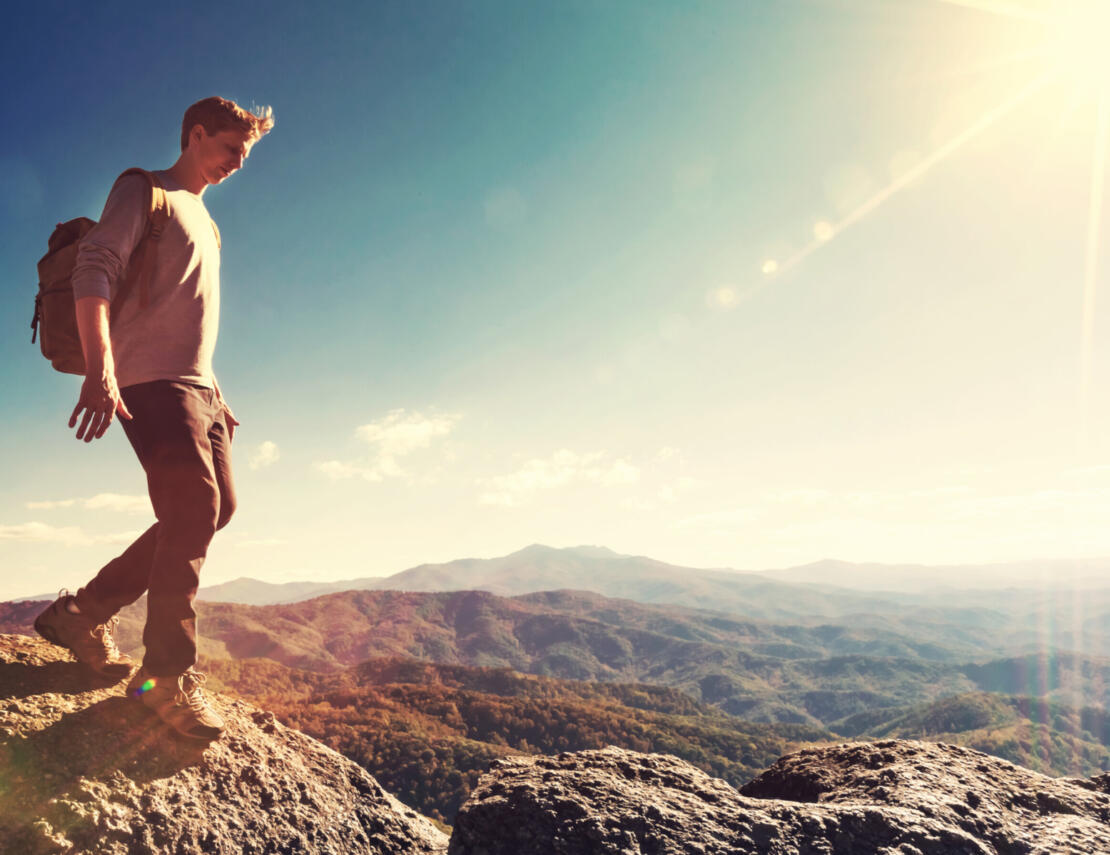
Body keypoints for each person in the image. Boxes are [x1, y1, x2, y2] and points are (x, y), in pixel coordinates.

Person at [33, 96, 273, 740]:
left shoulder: (207, 224)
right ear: (196, 134)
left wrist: (215, 388)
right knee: (193, 506)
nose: (237, 163)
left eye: (245, 154)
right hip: (146, 379)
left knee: (215, 509)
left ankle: (80, 614)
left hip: (199, 387)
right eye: (230, 148)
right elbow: (95, 268)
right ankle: (164, 679)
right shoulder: (145, 190)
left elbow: (184, 312)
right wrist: (100, 369)